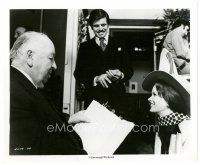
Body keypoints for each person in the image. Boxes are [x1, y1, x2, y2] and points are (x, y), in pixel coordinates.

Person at [10, 31, 86, 155]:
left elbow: (42, 119)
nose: (55, 66)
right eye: (51, 58)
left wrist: (69, 119)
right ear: (30, 57)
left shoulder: (23, 85)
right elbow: (40, 148)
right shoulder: (13, 92)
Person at [74, 9, 133, 115]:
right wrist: (95, 79)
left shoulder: (120, 44)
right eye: (96, 26)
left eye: (103, 25)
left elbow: (129, 69)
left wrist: (121, 74)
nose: (101, 29)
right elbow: (78, 73)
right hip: (93, 102)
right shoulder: (85, 47)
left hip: (117, 102)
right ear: (91, 27)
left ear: (108, 25)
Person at [142, 71, 190, 154]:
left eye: (154, 94)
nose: (149, 99)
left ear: (169, 98)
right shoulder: (162, 125)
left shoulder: (188, 128)